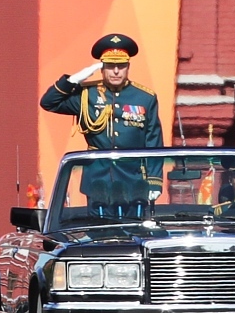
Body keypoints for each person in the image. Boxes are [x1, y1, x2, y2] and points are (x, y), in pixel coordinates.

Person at [41, 33, 165, 215]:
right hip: (97, 180)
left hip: (133, 180)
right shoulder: (87, 95)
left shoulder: (145, 98)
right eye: (110, 66)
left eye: (121, 66)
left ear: (128, 67)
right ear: (101, 68)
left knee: (132, 233)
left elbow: (154, 141)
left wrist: (154, 181)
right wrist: (73, 80)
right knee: (98, 234)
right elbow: (49, 102)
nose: (116, 71)